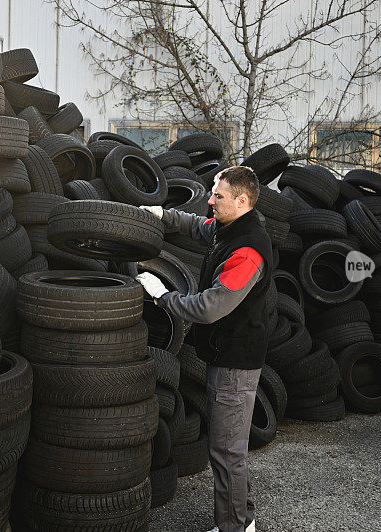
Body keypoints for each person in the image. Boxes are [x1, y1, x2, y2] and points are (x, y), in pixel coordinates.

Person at [136, 166, 273, 532]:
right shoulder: (229, 228)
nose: (210, 200)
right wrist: (162, 214)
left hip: (235, 362)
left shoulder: (248, 252)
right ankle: (242, 520)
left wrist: (163, 296)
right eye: (212, 192)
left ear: (241, 201)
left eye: (219, 196)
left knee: (226, 450)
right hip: (224, 353)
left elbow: (211, 307)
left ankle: (234, 528)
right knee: (229, 448)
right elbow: (199, 227)